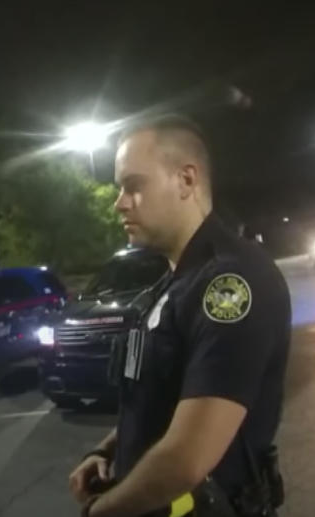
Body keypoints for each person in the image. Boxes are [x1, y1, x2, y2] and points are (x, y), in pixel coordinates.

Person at [68, 115, 289, 517]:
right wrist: (107, 449)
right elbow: (158, 399)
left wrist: (98, 513)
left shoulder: (230, 283)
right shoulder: (170, 286)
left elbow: (187, 459)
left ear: (186, 180)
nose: (119, 202)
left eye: (133, 186)